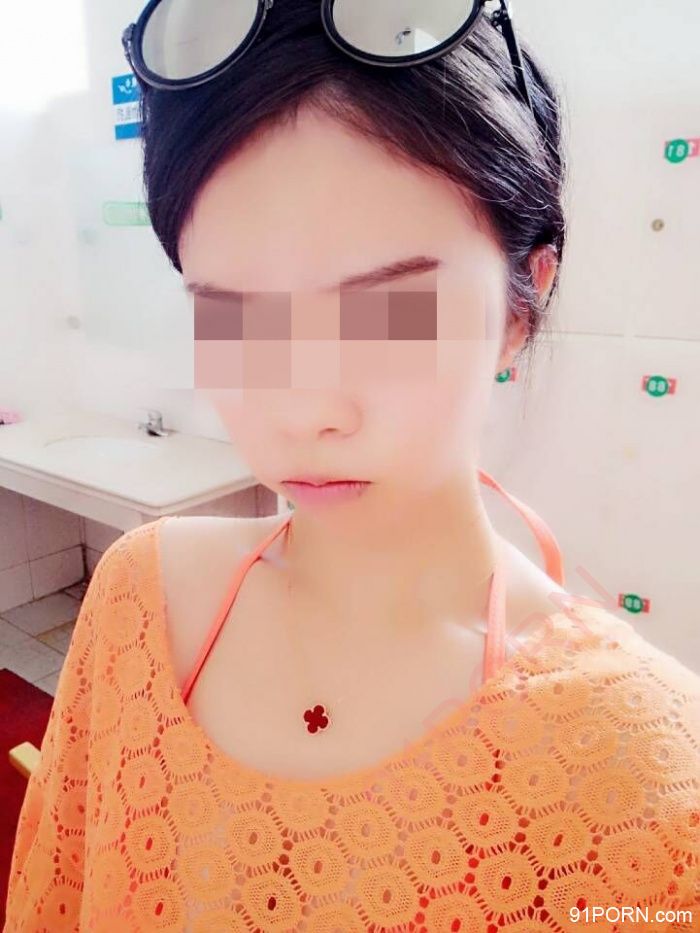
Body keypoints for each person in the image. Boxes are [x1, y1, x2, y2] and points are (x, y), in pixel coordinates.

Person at [5, 2, 699, 930]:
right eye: (233, 316)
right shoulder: (139, 602)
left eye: (383, 314)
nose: (301, 410)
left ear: (520, 306)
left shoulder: (651, 782)